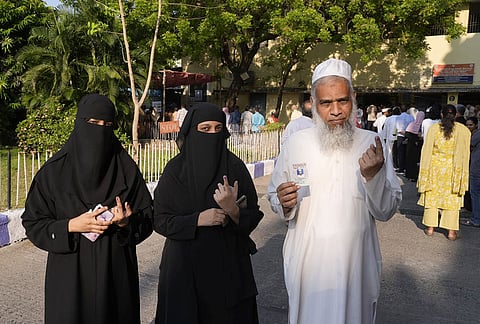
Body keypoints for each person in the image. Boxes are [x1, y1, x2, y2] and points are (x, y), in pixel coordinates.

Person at [268, 58, 401, 324]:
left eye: (342, 100)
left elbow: (386, 211)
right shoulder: (296, 143)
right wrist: (282, 203)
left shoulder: (372, 144)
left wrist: (373, 177)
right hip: (308, 267)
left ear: (354, 98)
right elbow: (274, 195)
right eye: (326, 103)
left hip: (356, 267)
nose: (336, 110)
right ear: (314, 105)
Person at [21, 94, 153, 324]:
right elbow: (33, 223)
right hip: (70, 276)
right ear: (80, 123)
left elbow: (148, 217)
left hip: (115, 274)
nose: (100, 132)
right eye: (93, 124)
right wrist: (70, 225)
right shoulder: (54, 173)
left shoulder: (126, 170)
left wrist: (125, 223)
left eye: (107, 125)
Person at [153, 103, 264, 324]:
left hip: (228, 269)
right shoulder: (175, 171)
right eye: (205, 129)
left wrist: (233, 210)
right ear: (192, 130)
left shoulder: (235, 167)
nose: (212, 134)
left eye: (217, 129)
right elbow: (160, 220)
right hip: (184, 270)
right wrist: (197, 220)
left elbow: (253, 215)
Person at [418, 104, 470, 240]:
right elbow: (465, 152)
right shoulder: (463, 131)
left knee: (432, 197)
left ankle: (430, 228)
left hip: (435, 169)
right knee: (452, 200)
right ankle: (451, 232)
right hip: (453, 170)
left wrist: (424, 170)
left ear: (441, 114)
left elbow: (426, 150)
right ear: (456, 115)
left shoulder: (434, 129)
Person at [462, 119, 480, 227]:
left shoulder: (477, 134)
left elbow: (469, 144)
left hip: (476, 168)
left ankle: (476, 219)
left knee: (476, 194)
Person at [404, 111, 425, 181]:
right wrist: (415, 140)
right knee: (411, 161)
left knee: (414, 161)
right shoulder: (413, 124)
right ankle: (410, 175)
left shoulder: (422, 125)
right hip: (412, 146)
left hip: (414, 146)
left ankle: (413, 175)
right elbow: (407, 134)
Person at [395, 106, 415, 174]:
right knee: (407, 152)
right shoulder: (411, 117)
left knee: (400, 153)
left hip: (400, 136)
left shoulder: (398, 117)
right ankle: (407, 168)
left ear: (400, 110)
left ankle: (401, 168)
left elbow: (398, 128)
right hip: (409, 135)